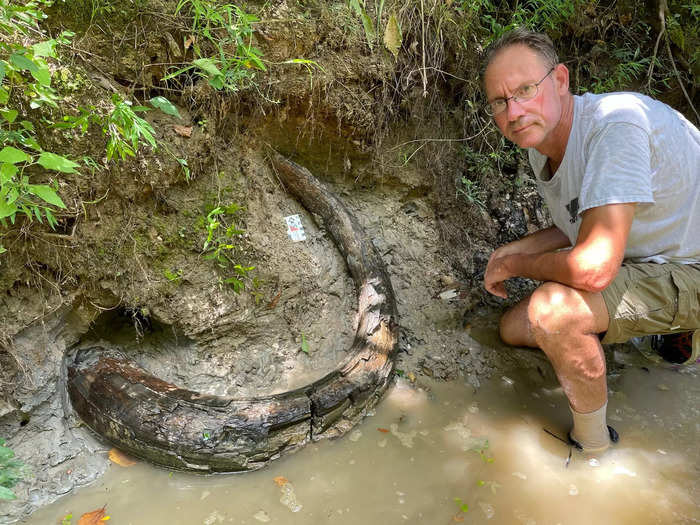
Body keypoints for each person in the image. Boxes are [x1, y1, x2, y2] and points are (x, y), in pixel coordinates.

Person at [480, 28, 700, 453]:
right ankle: (652, 335)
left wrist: (518, 265)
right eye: (500, 101)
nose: (514, 111)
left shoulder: (614, 126)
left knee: (555, 312)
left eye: (526, 90)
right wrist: (516, 250)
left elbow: (592, 267)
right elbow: (582, 220)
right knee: (515, 327)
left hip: (691, 265)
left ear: (560, 80)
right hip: (647, 256)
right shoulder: (539, 142)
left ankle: (595, 448)